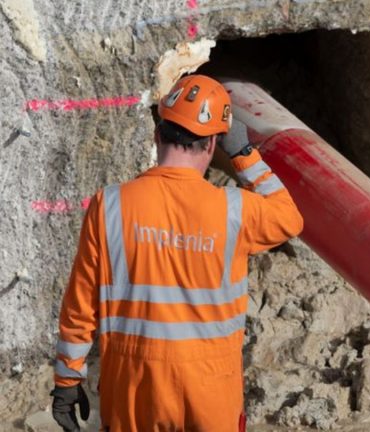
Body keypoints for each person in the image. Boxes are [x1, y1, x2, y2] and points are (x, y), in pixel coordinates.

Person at [49, 74, 304, 431]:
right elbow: (290, 218)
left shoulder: (110, 205)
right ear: (214, 144)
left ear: (158, 135)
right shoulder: (235, 210)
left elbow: (79, 308)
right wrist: (245, 155)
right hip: (211, 389)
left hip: (133, 387)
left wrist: (66, 382)